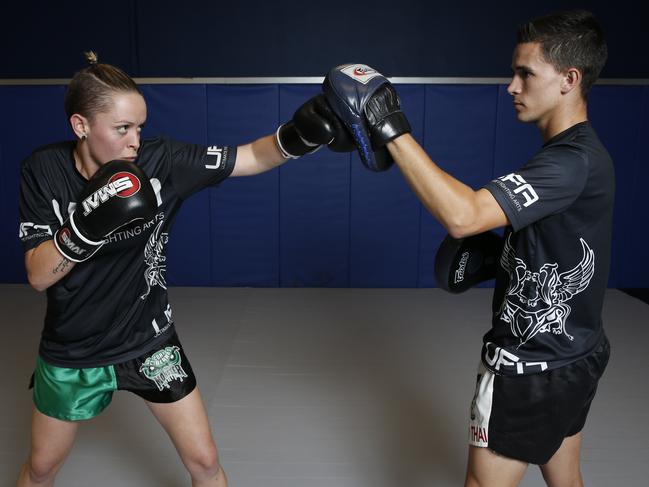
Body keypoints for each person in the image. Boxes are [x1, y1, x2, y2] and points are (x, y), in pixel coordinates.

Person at [17, 51, 348, 487]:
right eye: (122, 129)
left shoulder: (162, 161)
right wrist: (85, 225)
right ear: (81, 126)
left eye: (139, 127)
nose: (135, 140)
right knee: (40, 470)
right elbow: (38, 275)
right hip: (72, 351)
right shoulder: (44, 170)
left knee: (205, 463)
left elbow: (247, 157)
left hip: (149, 342)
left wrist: (297, 137)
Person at [321, 9, 612, 487]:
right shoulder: (583, 153)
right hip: (576, 354)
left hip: (527, 365)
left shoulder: (569, 163)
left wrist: (389, 127)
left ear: (569, 79)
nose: (512, 87)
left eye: (525, 73)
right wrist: (507, 262)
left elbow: (463, 216)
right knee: (566, 477)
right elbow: (569, 242)